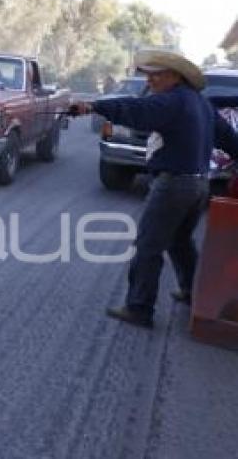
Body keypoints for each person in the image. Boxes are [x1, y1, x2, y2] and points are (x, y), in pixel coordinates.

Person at [73, 50, 238, 328]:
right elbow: (231, 141)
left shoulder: (172, 101)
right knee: (180, 241)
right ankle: (190, 291)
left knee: (149, 245)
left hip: (173, 184)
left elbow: (138, 111)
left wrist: (96, 106)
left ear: (175, 77)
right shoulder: (201, 104)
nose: (149, 81)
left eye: (155, 75)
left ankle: (139, 307)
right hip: (199, 185)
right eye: (148, 75)